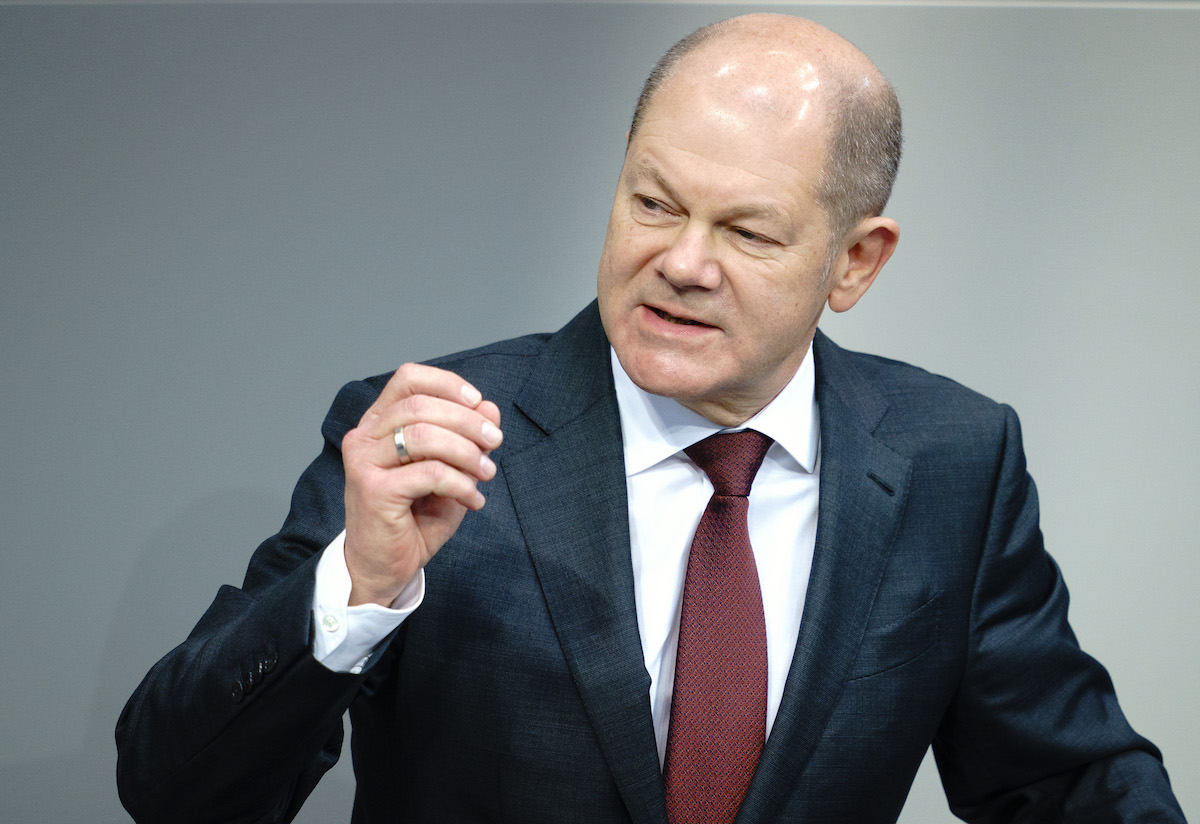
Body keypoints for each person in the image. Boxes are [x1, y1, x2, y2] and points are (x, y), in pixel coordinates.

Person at [116, 13, 1185, 824]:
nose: (681, 261)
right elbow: (176, 788)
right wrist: (359, 585)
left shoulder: (956, 458)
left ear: (854, 260)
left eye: (749, 231)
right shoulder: (428, 434)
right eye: (655, 202)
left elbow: (1067, 779)